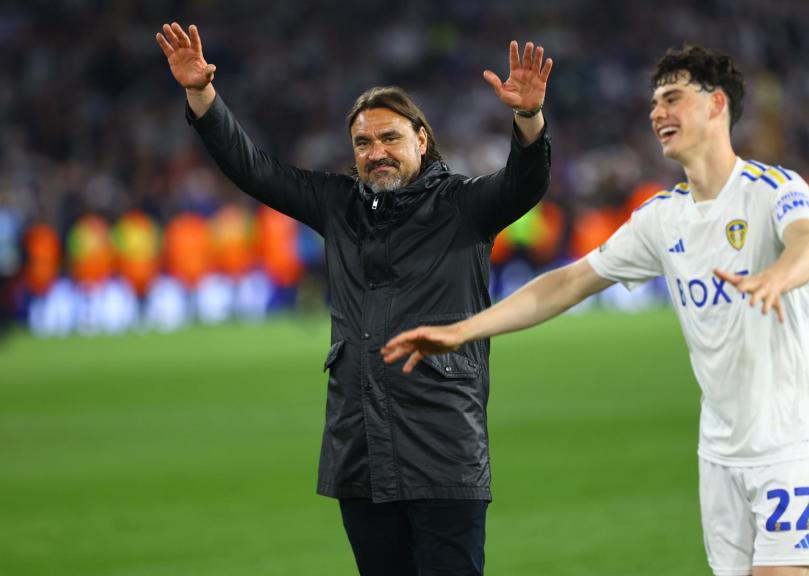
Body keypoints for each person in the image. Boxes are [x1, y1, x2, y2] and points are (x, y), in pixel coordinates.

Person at [383, 44, 809, 576]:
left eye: (673, 97)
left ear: (717, 104)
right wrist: (462, 330)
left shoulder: (773, 188)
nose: (657, 112)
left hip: (791, 444)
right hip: (719, 455)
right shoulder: (662, 218)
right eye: (654, 102)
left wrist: (776, 277)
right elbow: (567, 283)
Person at [156, 22, 553, 576]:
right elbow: (254, 169)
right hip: (360, 450)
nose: (376, 153)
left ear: (421, 138)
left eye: (390, 138)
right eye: (364, 143)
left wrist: (528, 119)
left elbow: (524, 182)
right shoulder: (337, 204)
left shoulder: (463, 206)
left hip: (444, 449)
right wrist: (202, 95)